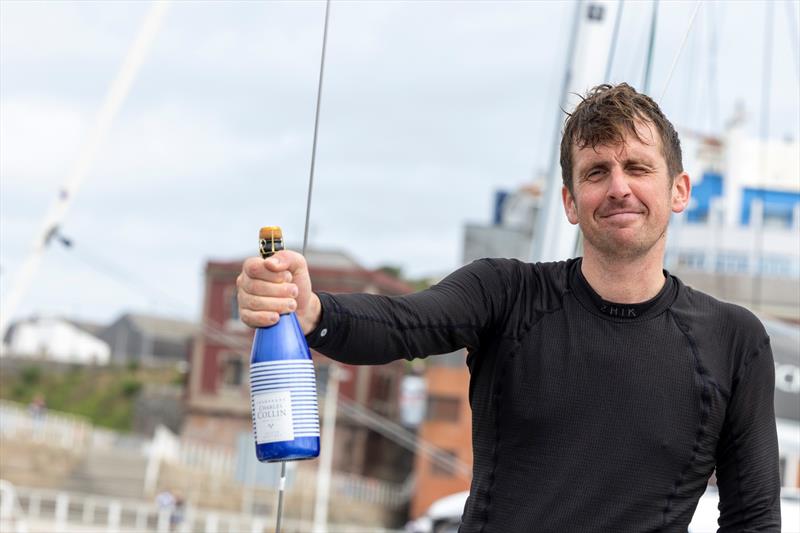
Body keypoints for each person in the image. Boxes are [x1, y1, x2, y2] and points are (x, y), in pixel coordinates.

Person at [236, 83, 781, 532]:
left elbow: (753, 519)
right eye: (596, 172)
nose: (619, 188)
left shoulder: (734, 341)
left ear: (679, 189)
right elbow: (403, 325)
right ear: (570, 202)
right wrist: (310, 312)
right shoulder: (507, 293)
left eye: (637, 168)